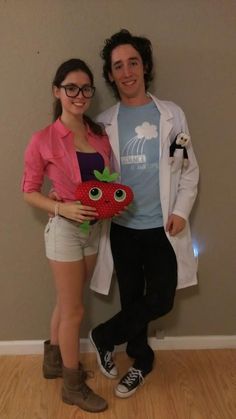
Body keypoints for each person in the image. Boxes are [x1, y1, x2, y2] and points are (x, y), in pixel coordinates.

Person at [89, 29, 199, 398]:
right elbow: (94, 175)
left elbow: (189, 170)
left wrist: (182, 211)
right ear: (110, 75)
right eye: (117, 66)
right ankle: (140, 359)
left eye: (132, 62)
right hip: (122, 228)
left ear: (145, 66)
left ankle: (103, 337)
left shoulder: (171, 114)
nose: (126, 71)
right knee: (132, 299)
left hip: (162, 227)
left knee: (162, 298)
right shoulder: (103, 122)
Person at [22, 58, 110, 412]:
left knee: (66, 301)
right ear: (57, 91)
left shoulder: (98, 134)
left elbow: (105, 182)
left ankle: (53, 362)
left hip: (93, 230)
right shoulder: (42, 139)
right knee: (74, 310)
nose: (79, 95)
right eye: (71, 88)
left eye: (85, 88)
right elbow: (28, 190)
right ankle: (72, 386)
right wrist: (62, 207)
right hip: (65, 231)